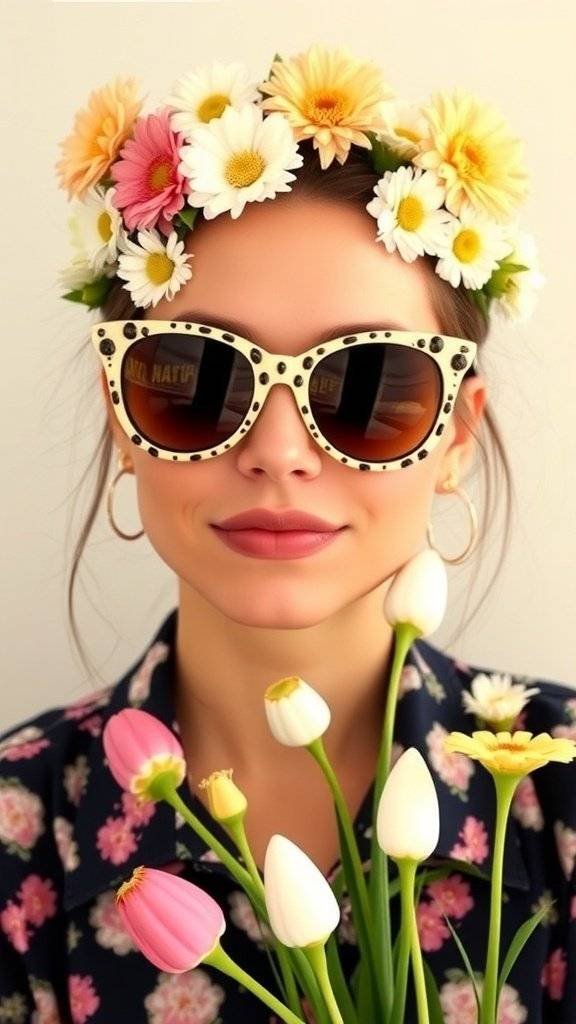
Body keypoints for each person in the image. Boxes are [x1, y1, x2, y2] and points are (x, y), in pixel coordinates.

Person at [1, 42, 574, 1024]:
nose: (279, 452)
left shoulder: (559, 806)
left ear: (456, 437)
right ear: (120, 416)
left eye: (370, 384)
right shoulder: (18, 839)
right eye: (196, 375)